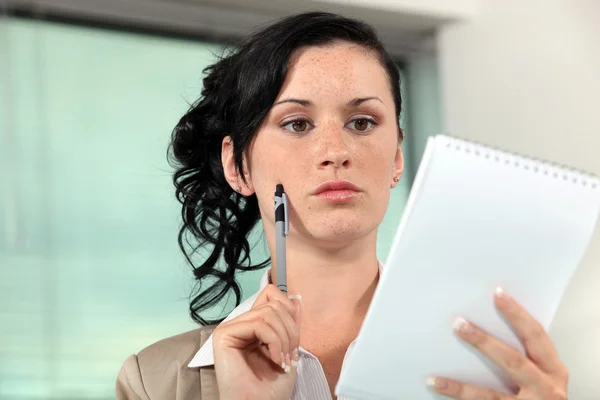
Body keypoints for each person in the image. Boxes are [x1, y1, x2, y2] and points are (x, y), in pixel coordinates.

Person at [116, 11, 569, 400]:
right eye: (297, 124)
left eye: (361, 121)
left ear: (396, 158)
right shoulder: (154, 383)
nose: (335, 150)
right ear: (238, 166)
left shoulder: (491, 366)